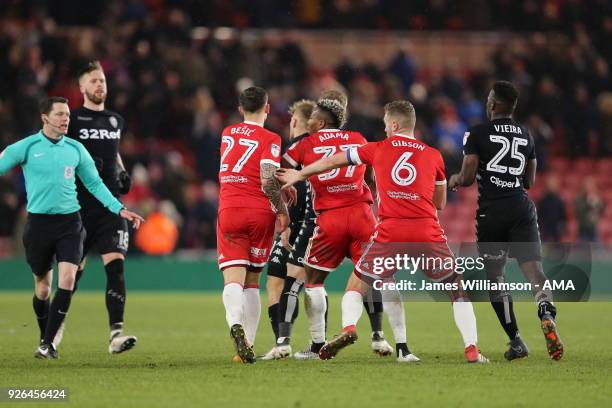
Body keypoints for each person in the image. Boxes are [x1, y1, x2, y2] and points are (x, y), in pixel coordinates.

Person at [278, 100, 488, 363]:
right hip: (426, 230)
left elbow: (333, 161)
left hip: (390, 231)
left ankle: (349, 329)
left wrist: (299, 175)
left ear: (395, 124)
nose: (385, 129)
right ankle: (470, 350)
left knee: (356, 286)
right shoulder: (433, 154)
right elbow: (441, 203)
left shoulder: (376, 149)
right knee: (456, 290)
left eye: (386, 124)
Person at [0, 97, 143, 359]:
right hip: (38, 224)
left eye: (67, 114)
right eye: (60, 115)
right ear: (45, 118)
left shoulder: (76, 149)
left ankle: (47, 344)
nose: (66, 119)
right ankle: (46, 335)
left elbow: (96, 184)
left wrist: (118, 208)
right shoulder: (27, 147)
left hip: (70, 223)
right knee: (43, 289)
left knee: (67, 278)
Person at [276, 92, 404, 361]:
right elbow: (372, 174)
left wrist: (284, 201)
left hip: (329, 218)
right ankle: (392, 342)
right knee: (373, 277)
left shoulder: (305, 144)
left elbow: (279, 173)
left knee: (312, 281)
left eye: (312, 117)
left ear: (321, 123)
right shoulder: (357, 138)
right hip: (362, 215)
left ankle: (316, 345)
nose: (309, 120)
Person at [448, 81, 564, 361]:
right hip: (521, 207)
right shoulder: (526, 135)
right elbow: (530, 180)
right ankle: (546, 312)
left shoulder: (476, 133)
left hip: (493, 211)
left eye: (489, 99)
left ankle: (516, 340)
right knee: (535, 271)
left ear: (493, 105)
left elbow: (466, 177)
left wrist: (454, 180)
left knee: (496, 278)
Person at [64, 61, 137, 354]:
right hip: (79, 208)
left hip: (110, 207)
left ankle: (115, 335)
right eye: (93, 81)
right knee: (71, 276)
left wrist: (122, 172)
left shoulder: (115, 121)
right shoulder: (72, 120)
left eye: (102, 81)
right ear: (82, 87)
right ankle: (52, 334)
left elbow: (114, 152)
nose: (99, 86)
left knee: (116, 268)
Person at [217, 86, 289, 364]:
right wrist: (282, 209)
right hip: (258, 211)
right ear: (267, 108)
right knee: (252, 281)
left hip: (229, 208)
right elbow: (266, 178)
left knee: (232, 278)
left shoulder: (227, 133)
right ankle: (246, 342)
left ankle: (234, 324)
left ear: (240, 109)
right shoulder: (271, 138)